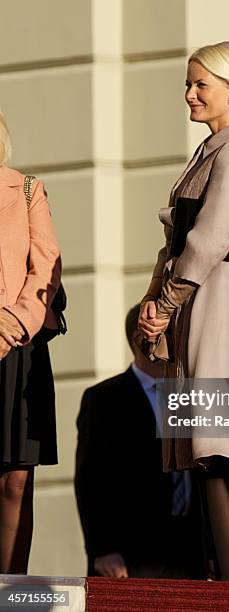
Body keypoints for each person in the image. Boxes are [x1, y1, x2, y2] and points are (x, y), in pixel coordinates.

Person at [138, 41, 229, 581]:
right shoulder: (213, 148)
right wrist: (157, 303)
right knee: (204, 445)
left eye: (200, 84)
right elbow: (176, 241)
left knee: (220, 444)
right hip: (198, 298)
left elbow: (212, 235)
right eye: (189, 83)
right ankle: (220, 577)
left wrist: (169, 298)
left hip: (219, 300)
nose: (190, 93)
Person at [75, 304, 205, 579]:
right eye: (168, 332)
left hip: (193, 551)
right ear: (141, 340)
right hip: (132, 555)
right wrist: (103, 549)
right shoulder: (103, 399)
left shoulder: (196, 394)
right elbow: (91, 480)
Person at [0, 109, 61, 573]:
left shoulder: (25, 190)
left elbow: (47, 266)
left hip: (18, 350)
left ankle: (11, 589)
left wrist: (13, 325)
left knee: (15, 481)